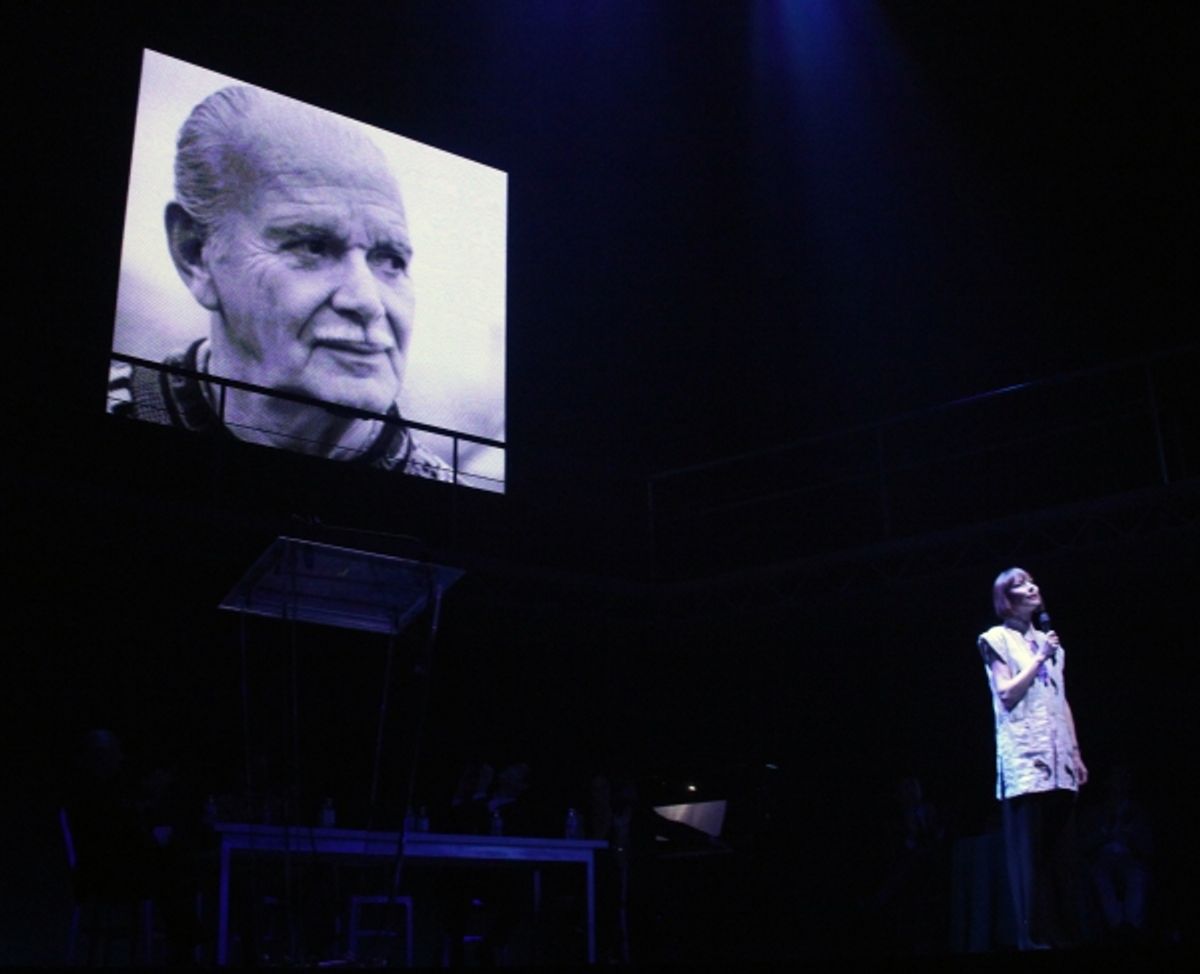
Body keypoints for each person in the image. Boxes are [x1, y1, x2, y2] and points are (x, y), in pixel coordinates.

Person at [108, 84, 452, 478]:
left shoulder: (461, 522)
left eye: (391, 260)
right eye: (312, 246)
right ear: (195, 253)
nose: (367, 300)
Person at [978, 567, 1088, 950]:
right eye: (1022, 585)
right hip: (1026, 762)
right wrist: (1038, 659)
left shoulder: (1050, 643)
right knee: (1027, 859)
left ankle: (1064, 933)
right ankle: (1029, 939)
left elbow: (1061, 698)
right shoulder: (996, 639)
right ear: (1007, 600)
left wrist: (1075, 751)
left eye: (1033, 580)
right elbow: (1006, 693)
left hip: (1059, 763)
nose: (1033, 586)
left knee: (1062, 856)